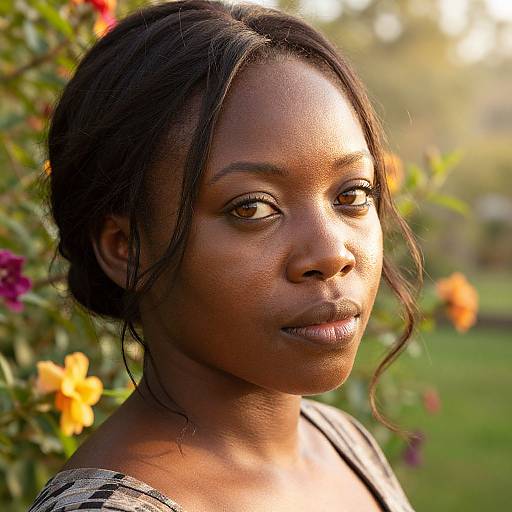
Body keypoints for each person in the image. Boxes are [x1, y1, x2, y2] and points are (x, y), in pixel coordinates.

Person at [28, 0, 423, 510]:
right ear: (126, 249)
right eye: (254, 207)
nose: (331, 253)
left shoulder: (339, 441)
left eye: (352, 195)